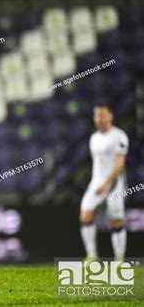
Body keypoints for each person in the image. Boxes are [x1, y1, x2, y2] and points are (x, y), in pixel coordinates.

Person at [80, 104, 129, 262]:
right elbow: (97, 164)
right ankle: (92, 255)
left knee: (115, 221)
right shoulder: (94, 138)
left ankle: (119, 259)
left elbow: (119, 164)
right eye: (96, 116)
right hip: (97, 183)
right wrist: (94, 182)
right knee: (85, 216)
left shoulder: (119, 136)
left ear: (110, 116)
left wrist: (106, 184)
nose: (99, 119)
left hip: (114, 184)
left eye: (102, 115)